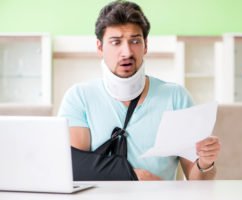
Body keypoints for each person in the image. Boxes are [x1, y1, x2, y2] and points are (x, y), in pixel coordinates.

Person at [58, 0, 221, 180]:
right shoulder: (79, 97)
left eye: (135, 41)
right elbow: (73, 168)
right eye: (116, 42)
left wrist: (205, 162)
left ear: (146, 45)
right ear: (100, 47)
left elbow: (196, 181)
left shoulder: (176, 97)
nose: (126, 52)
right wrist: (132, 176)